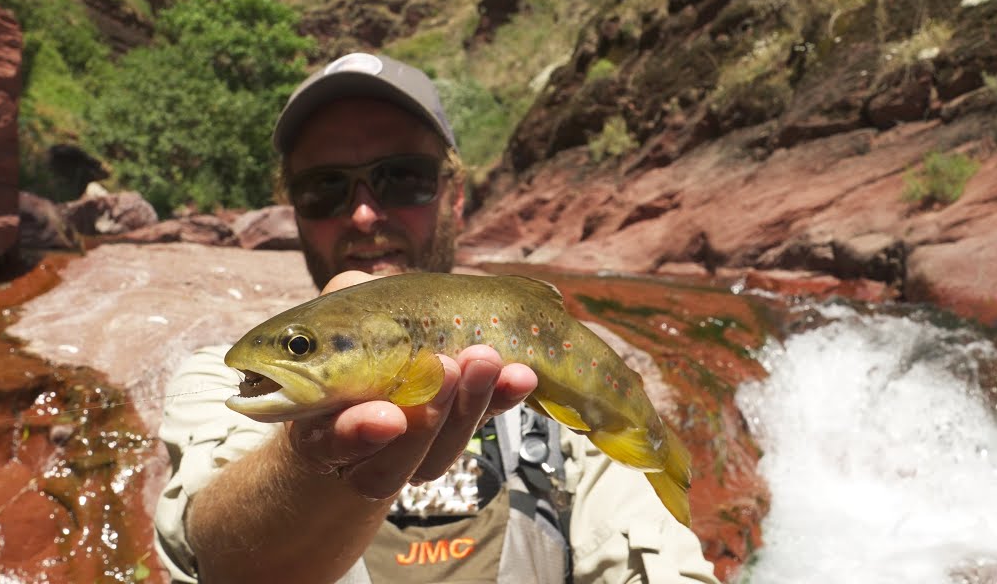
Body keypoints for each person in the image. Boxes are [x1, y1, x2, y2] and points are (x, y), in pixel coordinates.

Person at [154, 52, 719, 584]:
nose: (364, 212)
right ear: (293, 211)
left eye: (403, 177)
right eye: (323, 187)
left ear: (454, 196)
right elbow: (210, 550)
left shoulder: (571, 406)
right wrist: (309, 459)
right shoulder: (215, 377)